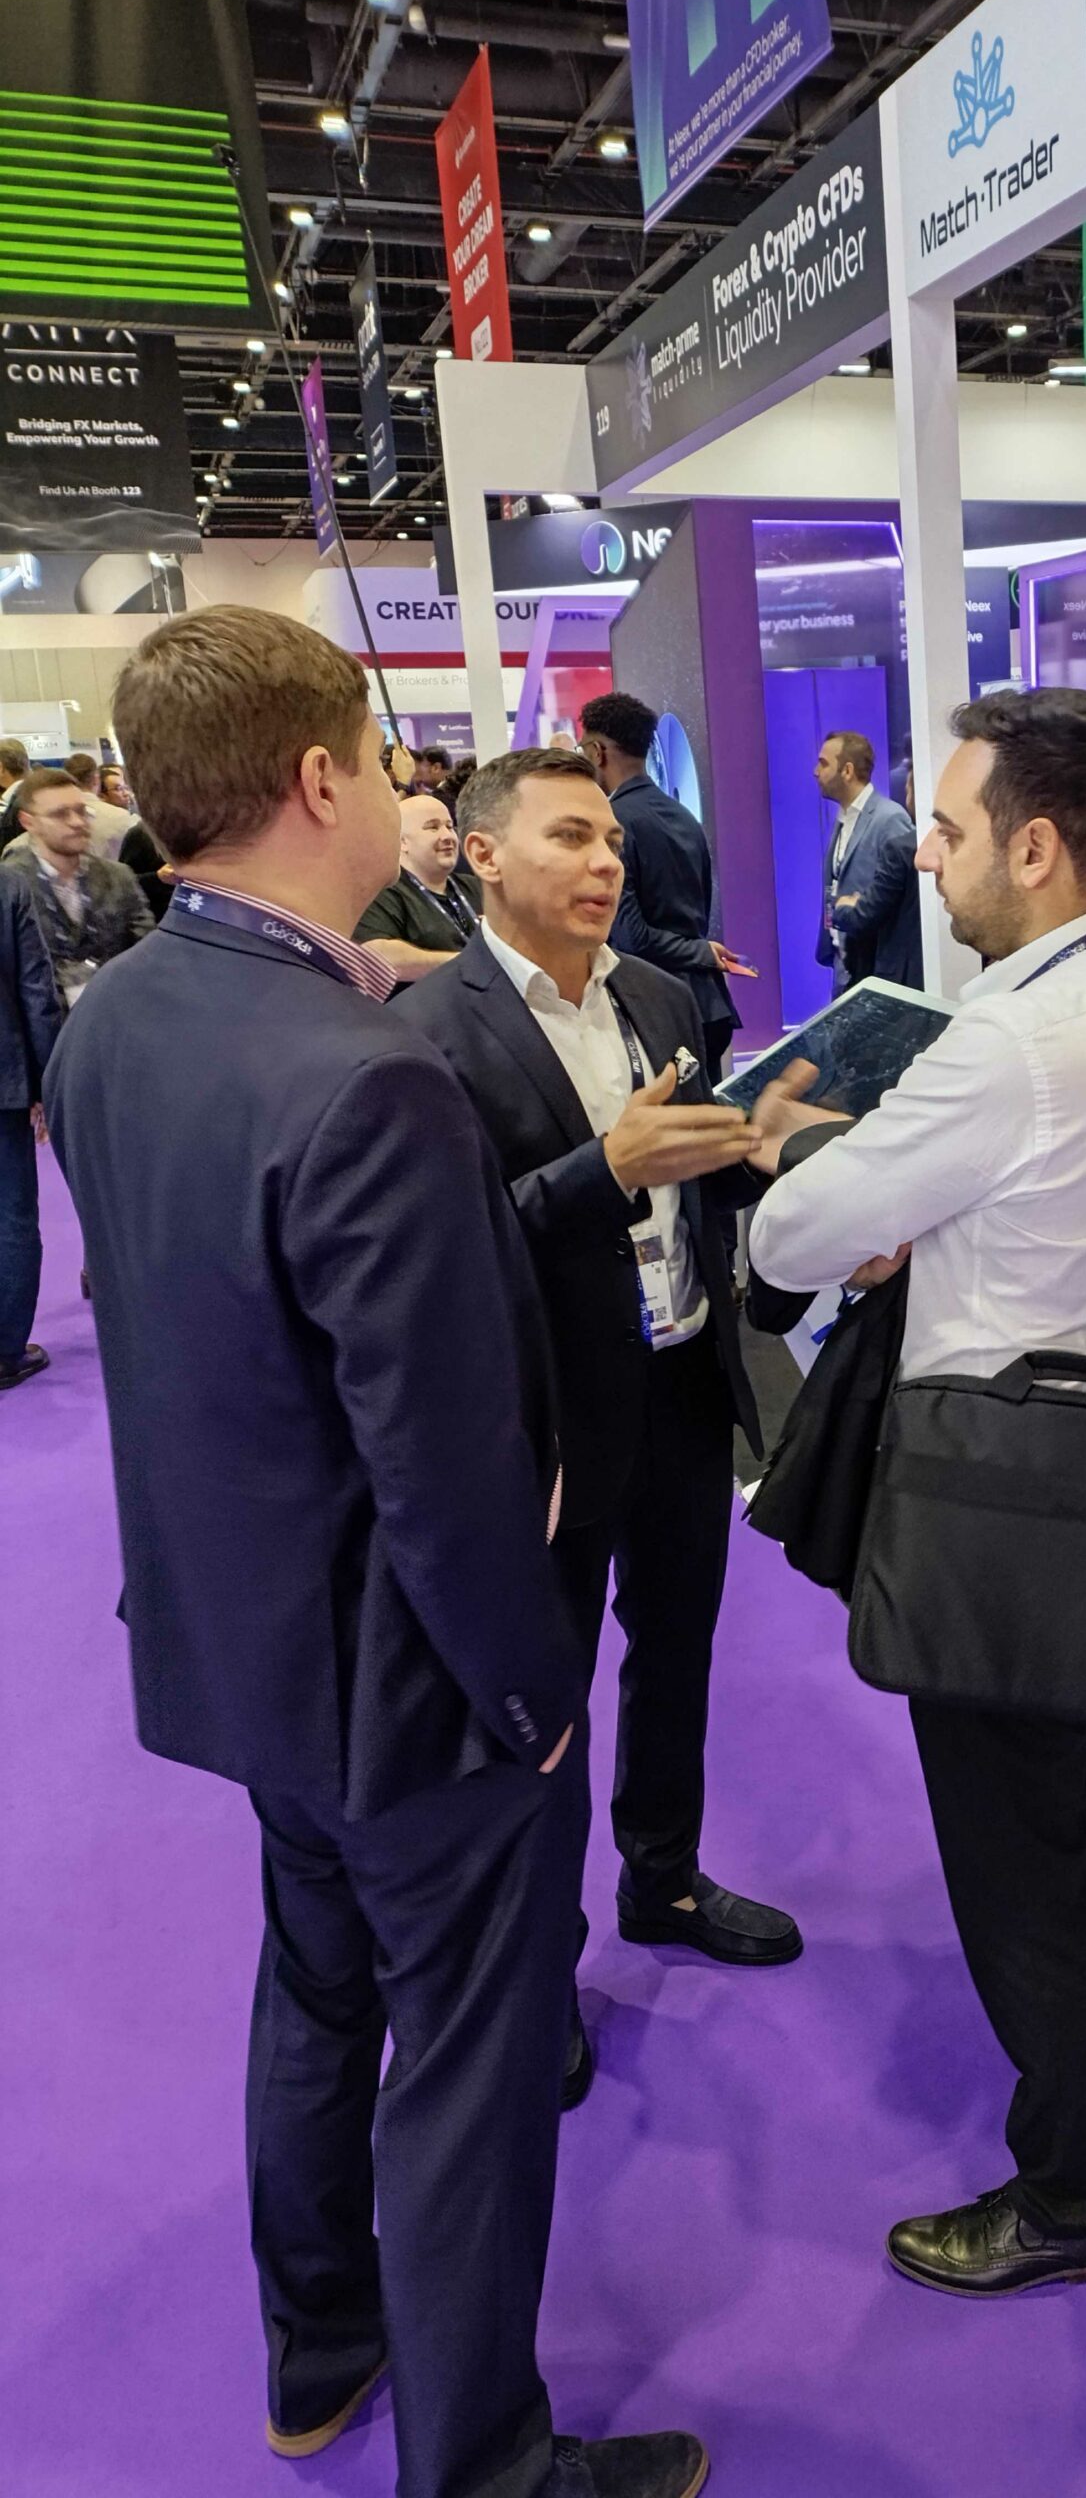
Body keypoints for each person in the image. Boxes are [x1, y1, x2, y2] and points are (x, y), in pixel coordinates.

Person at [44, 606, 706, 2498]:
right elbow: (445, 1460)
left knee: (319, 1994)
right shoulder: (367, 1073)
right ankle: (487, 2466)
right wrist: (530, 1694)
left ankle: (319, 2350)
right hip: (411, 1679)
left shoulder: (121, 1022)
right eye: (379, 756)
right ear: (321, 780)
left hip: (241, 1643)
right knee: (473, 2073)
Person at [749, 687, 1086, 2296]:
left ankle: (1073, 2193)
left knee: (1016, 1851)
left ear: (1035, 845)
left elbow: (792, 1240)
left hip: (988, 1486)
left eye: (946, 832)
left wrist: (783, 1163)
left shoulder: (1010, 1039)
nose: (924, 857)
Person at [398, 748, 800, 1975]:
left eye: (610, 841)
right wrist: (605, 1169)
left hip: (681, 1380)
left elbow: (692, 1175)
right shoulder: (427, 1029)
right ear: (481, 854)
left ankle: (661, 1880)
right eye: (570, 837)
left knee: (676, 1651)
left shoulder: (660, 999)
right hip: (545, 1418)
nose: (605, 862)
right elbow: (444, 1248)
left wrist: (760, 1151)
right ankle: (541, 1956)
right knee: (545, 1686)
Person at [578, 691, 752, 1082]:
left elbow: (631, 938)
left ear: (597, 752)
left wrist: (699, 951)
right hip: (708, 1006)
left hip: (655, 1012)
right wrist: (699, 951)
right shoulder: (684, 817)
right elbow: (698, 914)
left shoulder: (613, 824)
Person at [2, 770, 153, 1008]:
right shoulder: (10, 888)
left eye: (81, 811)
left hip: (117, 1012)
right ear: (28, 822)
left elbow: (147, 951)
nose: (77, 822)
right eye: (60, 814)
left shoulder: (118, 877)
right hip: (46, 1021)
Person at [0, 867, 62, 1391]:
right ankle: (5, 1353)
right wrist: (46, 1082)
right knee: (10, 1215)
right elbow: (36, 989)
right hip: (2, 1081)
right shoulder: (8, 886)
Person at [814, 730, 923, 992]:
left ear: (847, 771)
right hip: (844, 965)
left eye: (823, 763)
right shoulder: (843, 819)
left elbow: (900, 895)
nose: (816, 772)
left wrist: (854, 907)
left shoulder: (890, 819)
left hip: (875, 969)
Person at [354, 792, 482, 982]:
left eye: (449, 826)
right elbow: (379, 956)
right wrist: (467, 963)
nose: (447, 836)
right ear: (402, 842)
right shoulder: (382, 891)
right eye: (432, 827)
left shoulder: (477, 885)